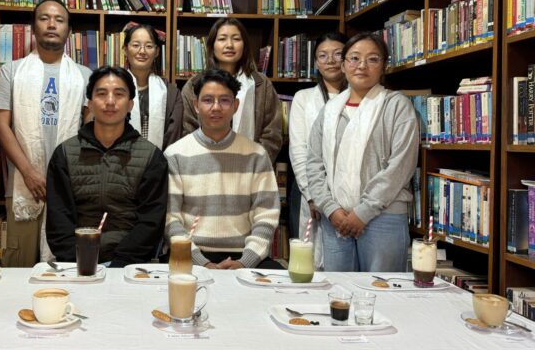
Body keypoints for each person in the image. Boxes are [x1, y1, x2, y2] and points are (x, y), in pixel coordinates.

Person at [0, 0, 92, 267]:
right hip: (23, 184)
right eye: (44, 18)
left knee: (64, 264)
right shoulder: (11, 72)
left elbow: (89, 130)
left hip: (69, 185)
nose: (51, 24)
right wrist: (29, 172)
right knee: (19, 263)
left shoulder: (84, 76)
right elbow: (0, 124)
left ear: (69, 30)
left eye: (59, 20)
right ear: (34, 27)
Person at [305, 32, 419, 272]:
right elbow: (314, 164)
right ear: (343, 65)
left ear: (383, 66)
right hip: (335, 219)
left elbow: (401, 166)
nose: (362, 65)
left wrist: (363, 213)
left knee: (381, 289)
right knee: (338, 291)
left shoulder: (397, 106)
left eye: (372, 59)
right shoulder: (329, 111)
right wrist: (331, 209)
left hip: (383, 217)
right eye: (354, 58)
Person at [46, 67, 168, 267]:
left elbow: (151, 223)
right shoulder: (64, 154)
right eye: (101, 94)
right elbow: (58, 220)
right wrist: (79, 261)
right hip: (76, 264)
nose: (110, 101)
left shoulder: (152, 157)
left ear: (130, 104)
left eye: (119, 94)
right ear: (90, 104)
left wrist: (118, 265)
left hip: (129, 266)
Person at [166, 69, 281, 270]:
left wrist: (244, 262)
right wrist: (202, 262)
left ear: (235, 106)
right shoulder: (175, 154)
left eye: (225, 100)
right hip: (191, 254)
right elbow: (170, 220)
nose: (216, 107)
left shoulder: (256, 155)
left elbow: (266, 216)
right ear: (196, 105)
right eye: (208, 100)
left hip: (243, 254)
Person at [181, 18, 283, 163]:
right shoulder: (194, 85)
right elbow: (188, 131)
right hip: (204, 165)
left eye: (236, 39)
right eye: (222, 39)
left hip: (251, 167)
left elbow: (272, 134)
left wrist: (255, 164)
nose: (229, 45)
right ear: (212, 45)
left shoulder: (261, 84)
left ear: (244, 45)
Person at [289, 32, 347, 269]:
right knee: (310, 262)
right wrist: (313, 196)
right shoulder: (304, 98)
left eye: (338, 54)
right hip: (311, 191)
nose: (330, 60)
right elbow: (298, 149)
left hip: (350, 194)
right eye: (323, 56)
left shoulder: (360, 97)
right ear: (315, 62)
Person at [123, 23, 183, 150]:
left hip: (160, 159)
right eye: (136, 45)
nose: (142, 51)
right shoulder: (114, 89)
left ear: (157, 52)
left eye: (149, 46)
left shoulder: (171, 92)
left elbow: (173, 138)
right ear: (125, 50)